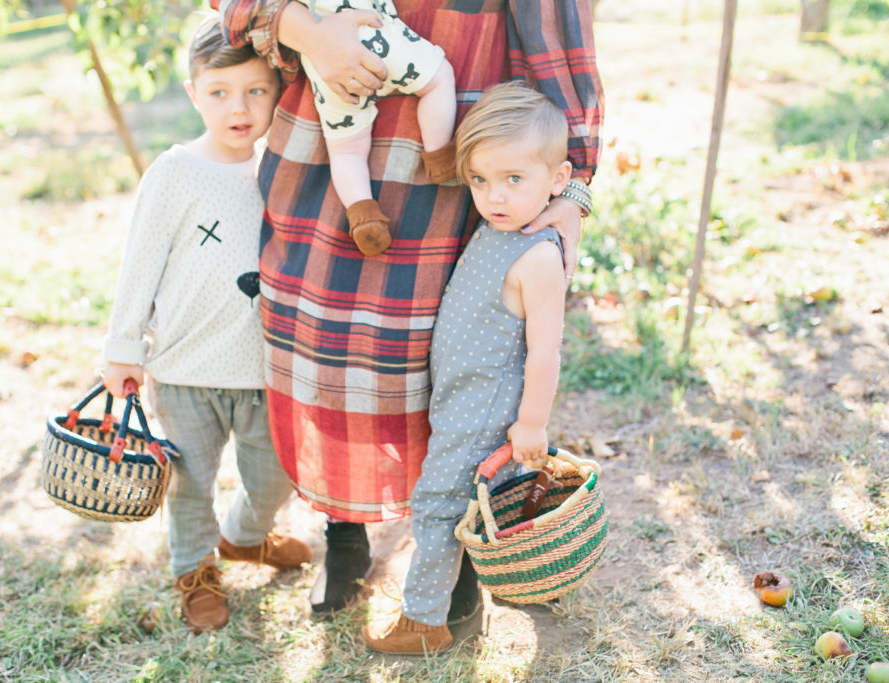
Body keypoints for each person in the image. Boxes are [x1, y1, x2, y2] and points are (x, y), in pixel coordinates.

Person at [211, 0, 602, 618]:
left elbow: (558, 32)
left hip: (454, 149)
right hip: (328, 126)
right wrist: (309, 33)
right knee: (328, 343)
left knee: (435, 357)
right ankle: (344, 531)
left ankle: (459, 551)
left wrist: (575, 182)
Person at [100, 15, 311, 634]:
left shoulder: (281, 169)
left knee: (275, 475)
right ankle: (195, 573)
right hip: (185, 368)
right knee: (190, 482)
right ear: (194, 94)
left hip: (261, 368)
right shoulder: (175, 172)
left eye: (255, 91)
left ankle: (245, 535)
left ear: (278, 92)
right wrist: (122, 347)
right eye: (219, 93)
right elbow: (139, 265)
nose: (238, 108)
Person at [364, 82, 572, 653]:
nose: (493, 196)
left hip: (484, 404)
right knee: (475, 498)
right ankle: (521, 575)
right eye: (479, 180)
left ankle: (425, 619)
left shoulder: (538, 254)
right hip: (458, 394)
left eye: (513, 180)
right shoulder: (497, 227)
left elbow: (546, 351)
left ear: (558, 180)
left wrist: (531, 423)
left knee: (438, 504)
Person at [294, 0, 457, 256]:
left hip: (326, 65)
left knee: (347, 150)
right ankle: (439, 157)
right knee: (439, 81)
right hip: (376, 35)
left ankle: (363, 214)